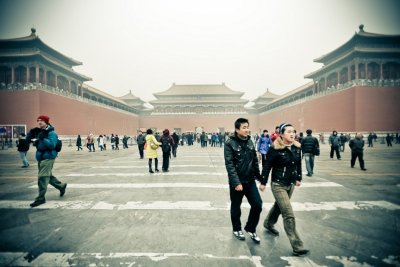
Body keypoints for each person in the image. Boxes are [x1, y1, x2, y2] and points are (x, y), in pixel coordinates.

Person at [261, 123, 309, 256]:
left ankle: (268, 223)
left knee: (279, 206)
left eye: (293, 131)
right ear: (281, 134)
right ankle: (297, 245)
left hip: (291, 183)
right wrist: (263, 182)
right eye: (288, 132)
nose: (292, 134)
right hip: (278, 184)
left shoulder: (297, 148)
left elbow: (298, 164)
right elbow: (267, 166)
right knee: (288, 213)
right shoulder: (274, 148)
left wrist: (299, 177)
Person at [224, 118, 264, 244]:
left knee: (257, 204)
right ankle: (237, 229)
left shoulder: (250, 142)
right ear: (237, 129)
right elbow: (229, 164)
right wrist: (236, 182)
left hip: (250, 180)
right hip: (237, 182)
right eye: (244, 127)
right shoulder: (229, 143)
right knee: (236, 206)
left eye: (247, 127)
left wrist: (260, 177)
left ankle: (251, 228)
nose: (247, 130)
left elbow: (254, 162)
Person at [26, 115, 67, 207]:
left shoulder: (52, 133)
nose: (39, 122)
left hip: (48, 157)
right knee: (48, 176)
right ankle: (61, 186)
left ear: (46, 122)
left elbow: (52, 145)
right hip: (41, 157)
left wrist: (42, 138)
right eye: (38, 120)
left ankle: (40, 198)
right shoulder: (40, 132)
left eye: (42, 121)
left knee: (42, 177)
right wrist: (35, 141)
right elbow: (40, 144)